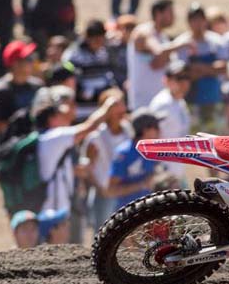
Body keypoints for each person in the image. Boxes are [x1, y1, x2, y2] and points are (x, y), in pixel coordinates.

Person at [32, 85, 118, 213]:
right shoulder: (54, 137)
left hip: (58, 206)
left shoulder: (51, 140)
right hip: (51, 209)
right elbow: (90, 126)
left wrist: (90, 163)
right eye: (59, 114)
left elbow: (75, 171)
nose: (65, 116)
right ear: (51, 119)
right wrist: (107, 107)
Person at [175, 2, 228, 134]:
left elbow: (223, 68)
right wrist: (210, 69)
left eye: (200, 19)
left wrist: (198, 68)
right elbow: (184, 73)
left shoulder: (216, 41)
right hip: (191, 102)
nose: (197, 23)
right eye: (193, 19)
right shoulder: (182, 43)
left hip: (213, 99)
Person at [83, 87, 130, 228]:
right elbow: (88, 168)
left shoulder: (128, 130)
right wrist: (100, 189)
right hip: (105, 195)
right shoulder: (95, 137)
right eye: (115, 105)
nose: (121, 108)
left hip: (126, 191)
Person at [126, 0, 181, 110]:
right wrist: (182, 43)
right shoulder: (143, 32)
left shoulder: (163, 38)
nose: (174, 16)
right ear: (158, 13)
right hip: (142, 104)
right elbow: (158, 51)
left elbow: (156, 64)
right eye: (170, 12)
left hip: (159, 105)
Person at [63, 19, 117, 121]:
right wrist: (85, 91)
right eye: (96, 40)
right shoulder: (73, 55)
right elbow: (69, 80)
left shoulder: (103, 53)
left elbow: (107, 75)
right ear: (88, 38)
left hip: (100, 109)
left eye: (101, 40)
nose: (99, 44)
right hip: (81, 110)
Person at [108, 107, 159, 209]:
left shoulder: (153, 150)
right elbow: (111, 190)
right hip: (128, 215)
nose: (159, 130)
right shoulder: (124, 153)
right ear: (146, 130)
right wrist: (142, 184)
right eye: (156, 127)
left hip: (149, 211)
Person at [0, 39, 42, 136]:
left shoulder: (37, 86)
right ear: (15, 64)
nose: (33, 62)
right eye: (28, 59)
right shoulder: (0, 91)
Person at [106, 14, 135, 91]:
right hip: (114, 84)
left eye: (130, 28)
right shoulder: (112, 46)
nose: (125, 31)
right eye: (123, 28)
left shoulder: (138, 48)